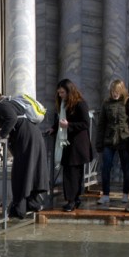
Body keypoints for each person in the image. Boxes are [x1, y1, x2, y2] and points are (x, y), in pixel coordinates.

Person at [0, 90, 49, 219]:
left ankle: (19, 209)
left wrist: (2, 135)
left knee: (20, 173)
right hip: (32, 137)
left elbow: (11, 119)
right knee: (31, 170)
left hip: (26, 139)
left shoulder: (3, 105)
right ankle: (32, 203)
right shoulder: (11, 103)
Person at [50, 79, 93, 211]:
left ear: (69, 91)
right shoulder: (64, 104)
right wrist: (54, 128)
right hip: (68, 144)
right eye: (59, 93)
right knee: (71, 172)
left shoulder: (80, 104)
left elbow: (85, 123)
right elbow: (61, 120)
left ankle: (72, 200)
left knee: (73, 173)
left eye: (62, 92)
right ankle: (74, 199)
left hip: (78, 145)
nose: (60, 95)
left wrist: (69, 125)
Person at [95, 79, 129, 205]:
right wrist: (99, 142)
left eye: (117, 91)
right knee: (106, 167)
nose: (115, 93)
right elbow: (101, 124)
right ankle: (105, 194)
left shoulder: (127, 102)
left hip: (124, 138)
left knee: (126, 167)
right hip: (109, 138)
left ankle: (125, 193)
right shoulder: (106, 103)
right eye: (112, 91)